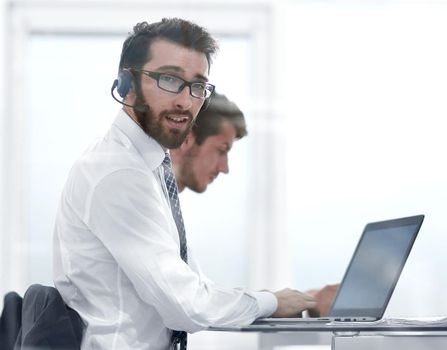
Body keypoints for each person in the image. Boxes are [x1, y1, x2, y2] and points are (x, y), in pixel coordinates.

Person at [53, 18, 316, 349]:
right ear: (127, 83)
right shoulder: (119, 173)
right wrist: (271, 303)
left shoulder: (147, 163)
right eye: (169, 79)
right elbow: (185, 307)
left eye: (197, 86)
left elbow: (190, 287)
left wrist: (269, 302)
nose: (185, 101)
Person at [169, 92, 338, 317]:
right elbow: (190, 303)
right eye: (221, 150)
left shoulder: (167, 203)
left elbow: (199, 293)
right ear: (187, 139)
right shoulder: (145, 198)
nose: (224, 167)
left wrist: (285, 301)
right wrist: (273, 303)